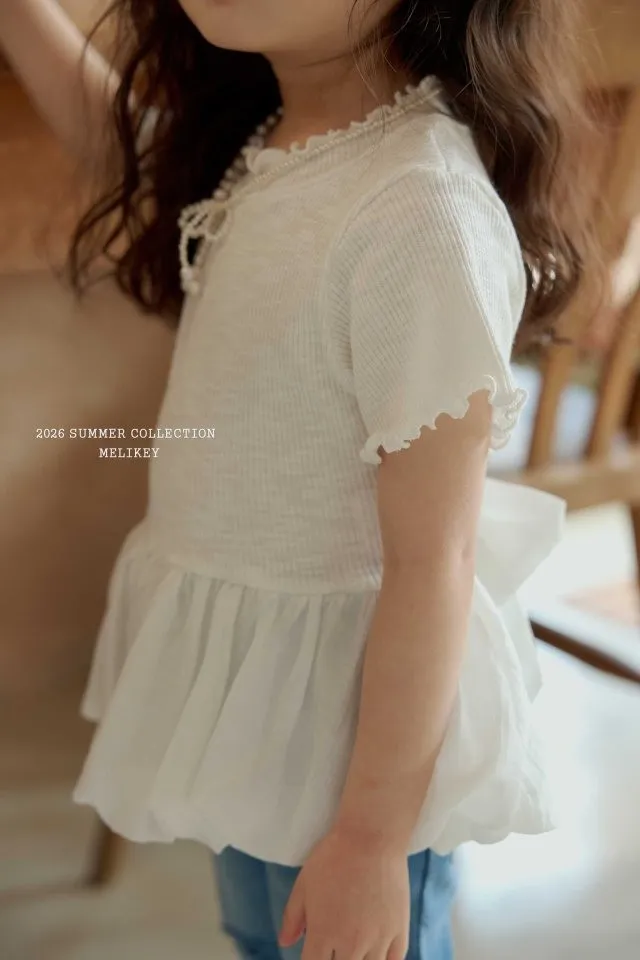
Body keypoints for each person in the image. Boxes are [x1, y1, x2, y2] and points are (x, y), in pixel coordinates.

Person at [1, 1, 596, 958]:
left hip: (359, 731)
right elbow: (124, 148)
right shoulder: (279, 139)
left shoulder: (419, 207)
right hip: (268, 694)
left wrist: (370, 837)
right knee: (261, 934)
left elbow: (433, 562)